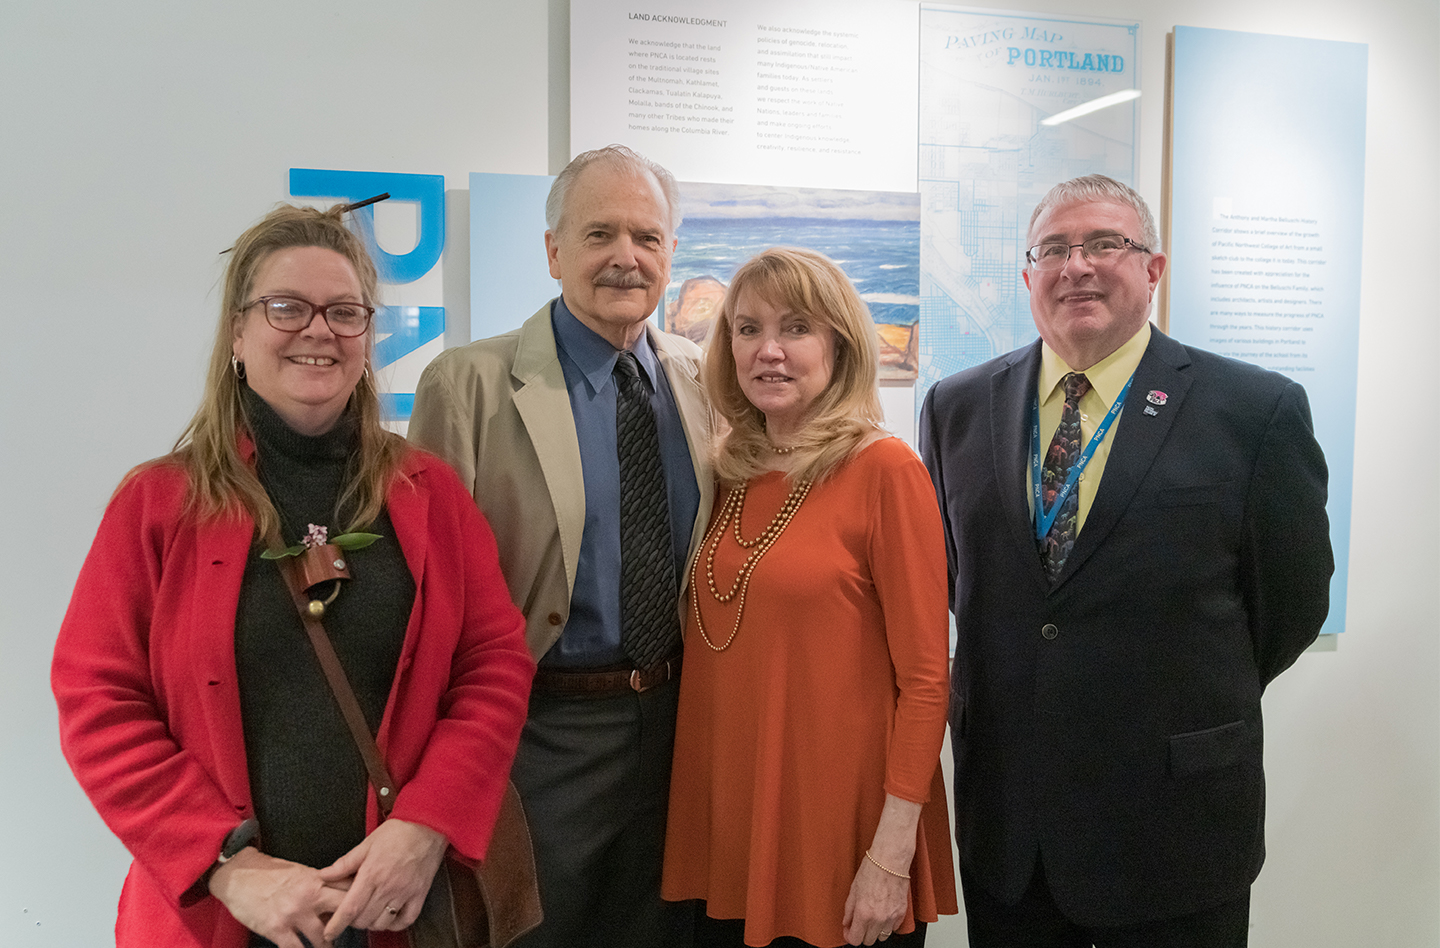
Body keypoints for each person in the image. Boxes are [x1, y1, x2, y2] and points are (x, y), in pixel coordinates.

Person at [51, 203, 535, 948]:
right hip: (220, 916)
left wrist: (427, 825)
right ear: (238, 335)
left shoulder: (429, 496)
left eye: (344, 312)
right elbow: (99, 702)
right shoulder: (156, 505)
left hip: (396, 912)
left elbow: (494, 665)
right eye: (287, 308)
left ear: (368, 338)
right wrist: (228, 866)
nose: (319, 330)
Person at [919, 174, 1334, 947]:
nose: (1077, 265)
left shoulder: (1253, 410)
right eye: (1054, 249)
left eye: (1106, 243)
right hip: (1013, 823)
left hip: (1174, 820)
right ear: (1027, 277)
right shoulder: (956, 406)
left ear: (1153, 268)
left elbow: (1292, 603)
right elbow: (954, 581)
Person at [408, 144, 712, 948]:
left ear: (672, 253)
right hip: (542, 735)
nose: (626, 257)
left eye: (647, 237)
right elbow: (431, 596)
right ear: (553, 251)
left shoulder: (700, 377)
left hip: (681, 723)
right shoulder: (467, 384)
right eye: (600, 234)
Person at [662, 247, 957, 948]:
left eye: (796, 328)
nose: (769, 351)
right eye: (747, 328)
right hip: (731, 820)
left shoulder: (885, 470)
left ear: (840, 346)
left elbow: (925, 681)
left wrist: (890, 855)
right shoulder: (726, 472)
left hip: (840, 834)